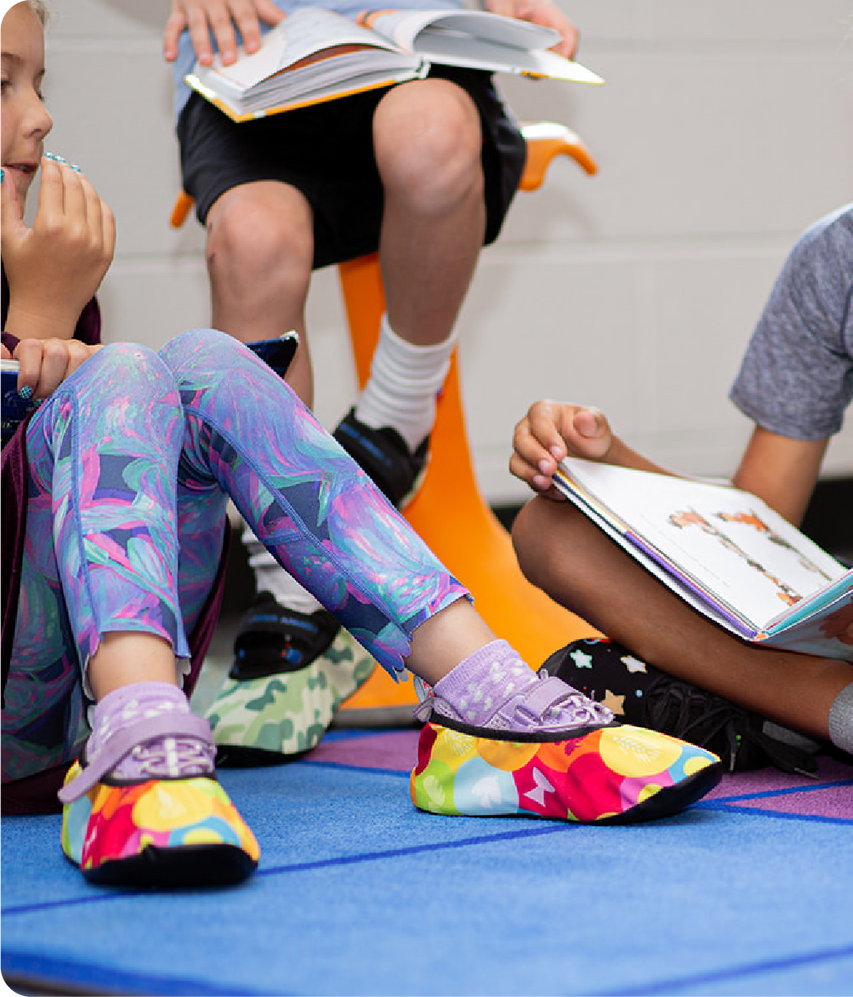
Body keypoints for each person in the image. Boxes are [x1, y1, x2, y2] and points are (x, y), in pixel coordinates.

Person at [0, 0, 724, 888]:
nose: (38, 114)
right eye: (5, 83)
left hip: (75, 705)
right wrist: (35, 328)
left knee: (208, 364)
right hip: (33, 717)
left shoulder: (26, 245)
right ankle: (137, 737)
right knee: (117, 374)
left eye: (41, 83)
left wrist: (56, 340)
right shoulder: (38, 272)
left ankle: (484, 709)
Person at [509, 0, 853, 809]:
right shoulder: (840, 257)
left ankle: (756, 707)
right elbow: (756, 522)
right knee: (548, 527)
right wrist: (607, 471)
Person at [162, 0, 581, 762]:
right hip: (257, 65)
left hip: (410, 60)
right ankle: (286, 586)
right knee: (253, 239)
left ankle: (396, 420)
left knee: (431, 131)